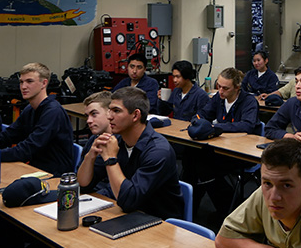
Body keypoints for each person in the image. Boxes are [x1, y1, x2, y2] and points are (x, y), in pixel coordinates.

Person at [78, 87, 183, 219]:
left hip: (159, 222)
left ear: (135, 115)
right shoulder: (117, 141)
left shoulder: (158, 151)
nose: (109, 116)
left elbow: (129, 201)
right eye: (110, 110)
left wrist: (111, 159)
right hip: (128, 214)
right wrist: (90, 156)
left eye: (116, 111)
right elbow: (84, 185)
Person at [185, 67, 259, 215]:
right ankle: (189, 205)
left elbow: (247, 125)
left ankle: (227, 209)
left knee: (203, 165)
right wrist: (197, 121)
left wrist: (216, 126)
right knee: (190, 156)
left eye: (226, 88)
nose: (220, 91)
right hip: (221, 148)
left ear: (237, 88)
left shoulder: (248, 101)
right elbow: (203, 113)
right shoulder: (219, 98)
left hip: (241, 154)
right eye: (218, 86)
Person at [76, 91, 112, 194]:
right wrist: (89, 157)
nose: (88, 121)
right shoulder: (94, 139)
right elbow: (81, 181)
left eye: (94, 114)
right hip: (88, 193)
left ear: (109, 113)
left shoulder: (120, 142)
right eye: (87, 116)